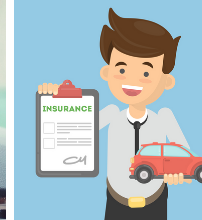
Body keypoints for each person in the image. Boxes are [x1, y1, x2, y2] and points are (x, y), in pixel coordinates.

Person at [38, 8, 187, 220]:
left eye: (146, 72)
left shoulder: (164, 118)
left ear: (166, 81)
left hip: (156, 201)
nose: (132, 81)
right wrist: (57, 97)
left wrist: (177, 173)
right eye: (122, 69)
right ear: (107, 73)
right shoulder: (111, 114)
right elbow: (74, 130)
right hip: (116, 202)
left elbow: (183, 154)